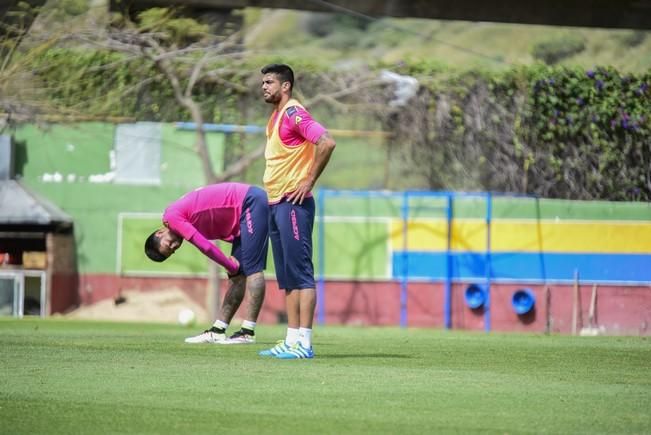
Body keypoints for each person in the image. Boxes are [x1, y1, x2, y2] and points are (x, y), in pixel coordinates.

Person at [257, 64, 336, 359]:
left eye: (269, 82)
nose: (263, 87)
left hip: (294, 203)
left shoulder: (293, 112)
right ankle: (291, 341)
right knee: (288, 277)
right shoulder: (275, 117)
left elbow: (326, 142)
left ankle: (305, 343)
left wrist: (309, 180)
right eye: (262, 82)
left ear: (285, 85)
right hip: (277, 203)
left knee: (301, 275)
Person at [144, 182, 268, 344]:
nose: (175, 246)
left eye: (168, 245)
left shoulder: (171, 217)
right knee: (237, 276)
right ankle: (218, 330)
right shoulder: (185, 222)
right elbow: (221, 231)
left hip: (250, 202)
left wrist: (229, 265)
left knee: (252, 270)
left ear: (160, 233)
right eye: (172, 250)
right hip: (244, 214)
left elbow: (206, 247)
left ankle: (247, 332)